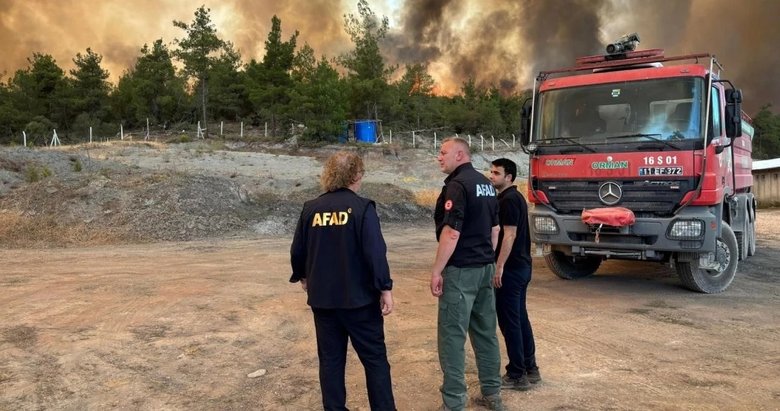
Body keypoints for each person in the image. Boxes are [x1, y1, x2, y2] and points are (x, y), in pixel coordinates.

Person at [290, 151, 396, 411]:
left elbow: (297, 250)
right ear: (357, 175)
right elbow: (375, 252)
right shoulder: (362, 208)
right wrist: (384, 287)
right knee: (375, 360)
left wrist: (303, 275)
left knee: (331, 361)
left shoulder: (311, 208)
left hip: (323, 300)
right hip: (359, 300)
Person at [430, 137, 504, 411]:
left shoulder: (458, 186)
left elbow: (452, 232)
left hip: (461, 271)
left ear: (460, 154)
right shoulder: (486, 183)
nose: (439, 157)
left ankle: (454, 403)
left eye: (443, 152)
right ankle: (492, 393)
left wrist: (437, 271)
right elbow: (495, 230)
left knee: (452, 337)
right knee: (486, 333)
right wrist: (487, 258)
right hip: (485, 267)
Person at [488, 158, 541, 391]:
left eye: (496, 173)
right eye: (491, 172)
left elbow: (509, 235)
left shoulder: (509, 200)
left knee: (510, 323)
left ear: (508, 177)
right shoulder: (515, 198)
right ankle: (531, 368)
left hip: (510, 270)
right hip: (521, 267)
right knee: (520, 319)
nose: (492, 176)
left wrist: (499, 266)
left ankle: (517, 374)